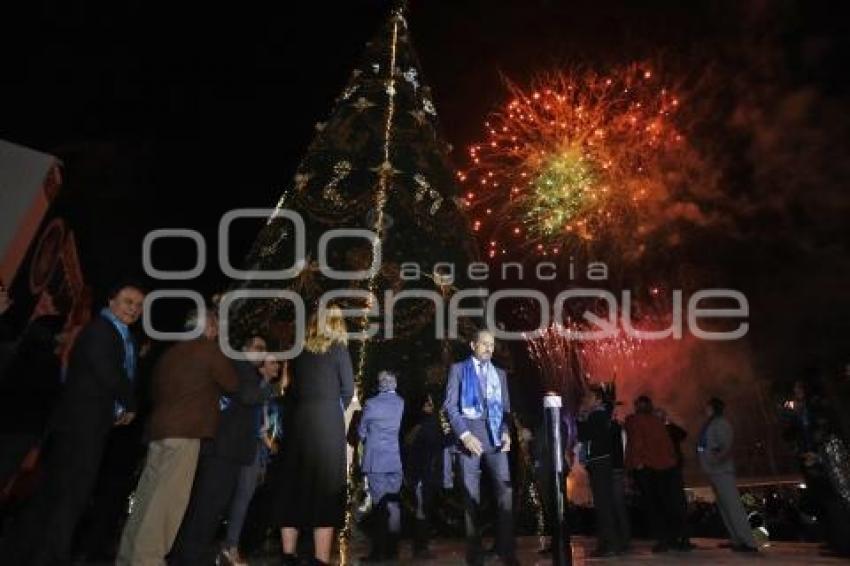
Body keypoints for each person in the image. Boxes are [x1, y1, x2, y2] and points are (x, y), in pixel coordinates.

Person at [4, 281, 144, 566]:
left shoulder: (119, 335)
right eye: (129, 301)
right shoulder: (102, 331)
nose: (134, 309)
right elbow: (110, 373)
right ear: (111, 301)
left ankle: (27, 551)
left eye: (139, 305)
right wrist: (129, 403)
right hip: (80, 425)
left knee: (56, 493)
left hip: (85, 424)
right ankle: (49, 555)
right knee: (70, 496)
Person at [117, 308, 240, 565]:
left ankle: (128, 555)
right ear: (206, 327)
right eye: (215, 328)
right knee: (168, 501)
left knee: (146, 496)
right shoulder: (206, 349)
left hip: (158, 431)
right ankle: (147, 559)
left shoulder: (170, 354)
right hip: (185, 433)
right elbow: (232, 383)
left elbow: (154, 390)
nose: (217, 334)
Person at [170, 334, 273, 566]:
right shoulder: (239, 367)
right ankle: (187, 556)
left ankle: (188, 553)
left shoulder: (247, 371)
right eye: (259, 347)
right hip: (223, 450)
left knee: (211, 506)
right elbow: (247, 397)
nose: (263, 352)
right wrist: (271, 387)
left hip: (229, 451)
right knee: (207, 506)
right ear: (245, 348)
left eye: (265, 348)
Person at [274, 306, 354, 566]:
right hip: (327, 422)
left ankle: (288, 554)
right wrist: (331, 405)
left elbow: (288, 388)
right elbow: (348, 389)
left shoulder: (298, 349)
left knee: (293, 484)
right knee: (327, 488)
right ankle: (320, 559)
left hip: (299, 421)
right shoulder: (339, 349)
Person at [443, 329, 518, 566]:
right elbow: (450, 407)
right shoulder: (458, 369)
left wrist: (506, 432)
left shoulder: (500, 374)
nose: (489, 348)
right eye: (484, 344)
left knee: (505, 493)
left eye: (492, 345)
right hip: (470, 440)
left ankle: (506, 551)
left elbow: (506, 410)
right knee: (470, 496)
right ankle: (474, 556)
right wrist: (464, 435)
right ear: (473, 345)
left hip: (496, 439)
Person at [219, 352, 284, 566]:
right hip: (251, 448)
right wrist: (267, 442)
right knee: (242, 496)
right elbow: (258, 422)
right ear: (261, 366)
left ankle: (232, 545)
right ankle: (230, 546)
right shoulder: (259, 388)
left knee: (245, 497)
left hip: (259, 451)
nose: (278, 367)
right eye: (273, 363)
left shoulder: (267, 390)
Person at [623, 395, 688, 553]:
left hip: (648, 468)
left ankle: (663, 540)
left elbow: (636, 443)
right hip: (667, 468)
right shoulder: (658, 423)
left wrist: (634, 465)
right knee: (670, 504)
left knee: (654, 506)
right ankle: (678, 538)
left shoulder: (635, 421)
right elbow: (669, 446)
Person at [697, 397, 757, 553]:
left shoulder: (720, 423)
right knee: (725, 507)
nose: (705, 409)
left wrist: (717, 459)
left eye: (707, 406)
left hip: (722, 470)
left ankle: (748, 542)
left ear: (713, 408)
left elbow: (726, 445)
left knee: (733, 506)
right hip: (714, 470)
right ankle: (737, 538)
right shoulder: (710, 424)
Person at [358, 370, 404, 562]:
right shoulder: (401, 402)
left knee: (379, 506)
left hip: (376, 461)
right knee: (393, 505)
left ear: (379, 383)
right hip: (394, 460)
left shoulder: (371, 403)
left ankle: (378, 552)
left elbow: (361, 432)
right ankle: (393, 549)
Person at [577, 385, 627, 556]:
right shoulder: (600, 415)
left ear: (598, 399)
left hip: (599, 462)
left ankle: (609, 545)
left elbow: (584, 435)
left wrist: (581, 418)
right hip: (600, 461)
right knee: (604, 504)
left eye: (589, 397)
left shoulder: (597, 415)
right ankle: (609, 543)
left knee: (603, 505)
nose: (585, 400)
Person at [405, 394, 443, 559]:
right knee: (423, 510)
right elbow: (442, 442)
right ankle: (421, 548)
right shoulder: (429, 425)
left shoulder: (417, 426)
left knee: (422, 510)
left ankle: (420, 547)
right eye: (428, 403)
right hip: (425, 475)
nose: (431, 405)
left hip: (420, 475)